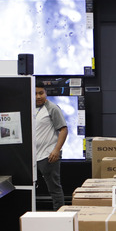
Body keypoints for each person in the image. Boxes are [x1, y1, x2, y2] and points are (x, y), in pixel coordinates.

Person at [34, 81, 67, 210]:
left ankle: (60, 216)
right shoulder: (28, 107)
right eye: (35, 93)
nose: (38, 96)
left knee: (54, 189)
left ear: (46, 93)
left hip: (48, 156)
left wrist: (56, 150)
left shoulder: (52, 108)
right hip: (32, 157)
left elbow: (63, 130)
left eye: (41, 93)